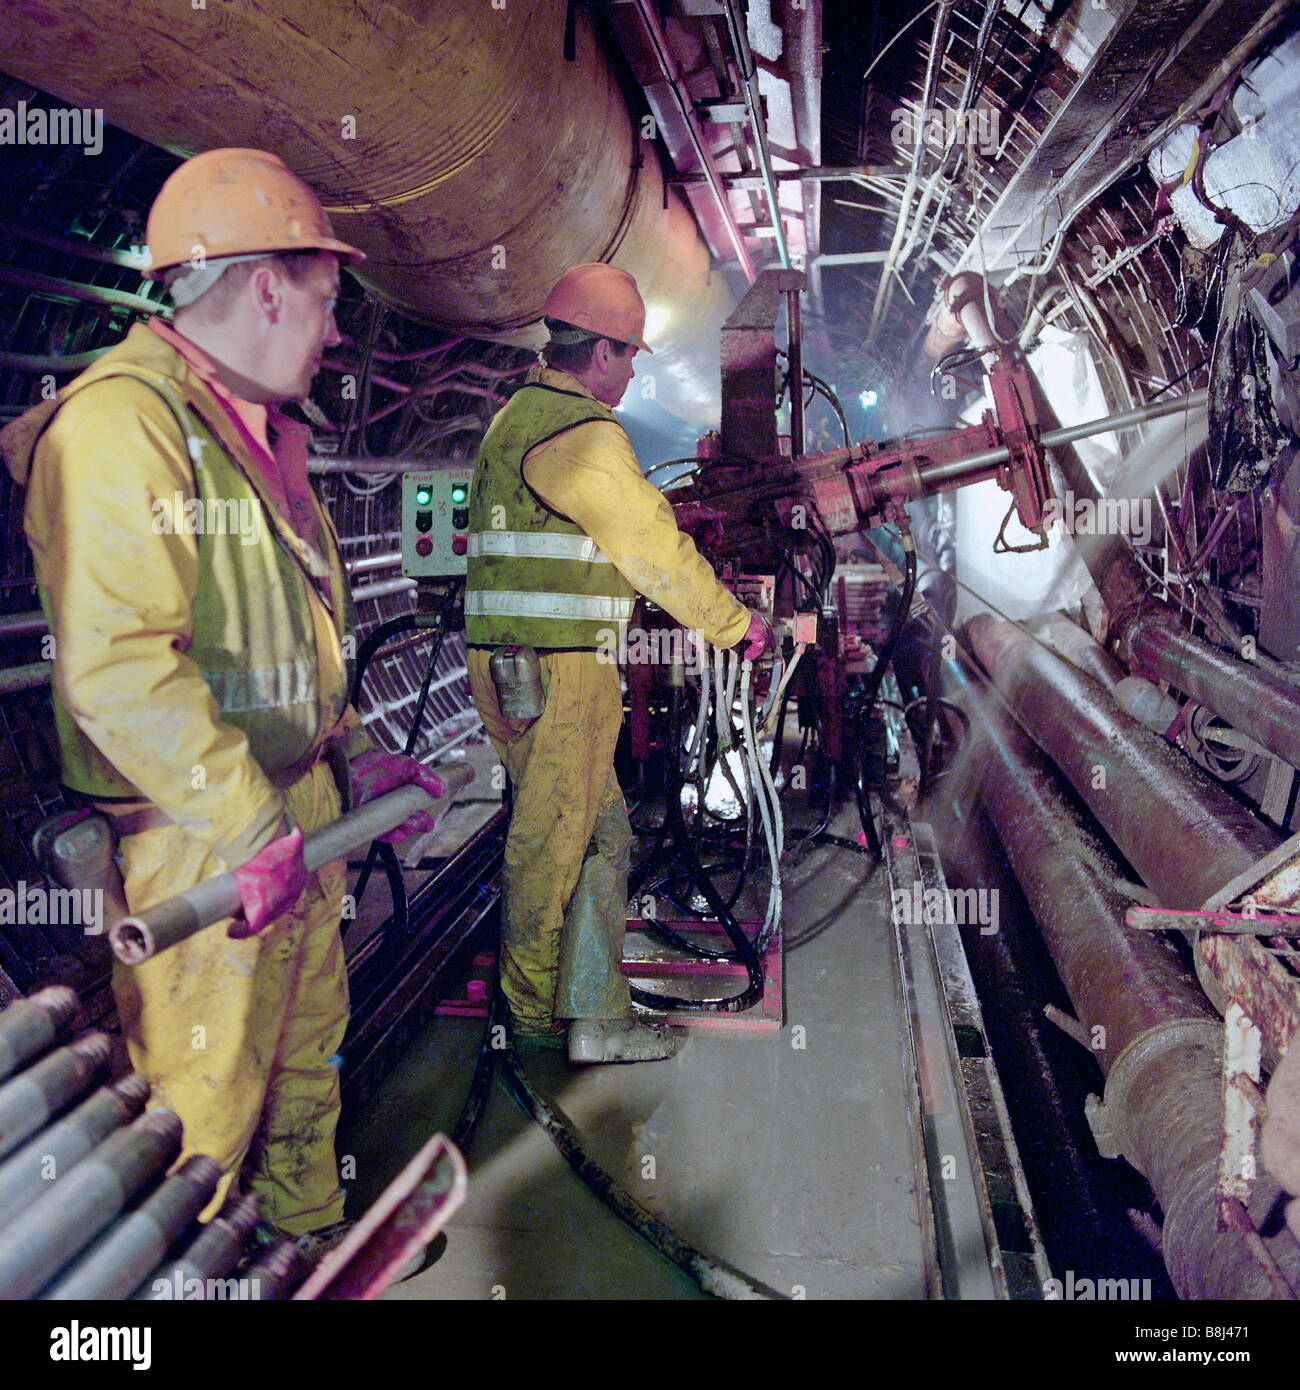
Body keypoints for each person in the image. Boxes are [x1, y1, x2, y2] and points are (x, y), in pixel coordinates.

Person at [0, 148, 444, 1252]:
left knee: (305, 1086)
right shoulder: (124, 426)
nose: (335, 334)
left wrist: (357, 754)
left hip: (291, 822)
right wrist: (253, 824)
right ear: (263, 287)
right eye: (326, 301)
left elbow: (285, 640)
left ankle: (305, 1261)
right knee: (201, 1128)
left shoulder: (251, 433)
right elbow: (116, 666)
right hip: (202, 846)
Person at [464, 262, 774, 1064]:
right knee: (553, 844)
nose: (635, 368)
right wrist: (736, 626)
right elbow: (652, 551)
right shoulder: (581, 434)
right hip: (560, 675)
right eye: (629, 353)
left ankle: (595, 1016)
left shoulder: (516, 419)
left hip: (522, 668)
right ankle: (533, 1021)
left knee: (600, 837)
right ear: (598, 351)